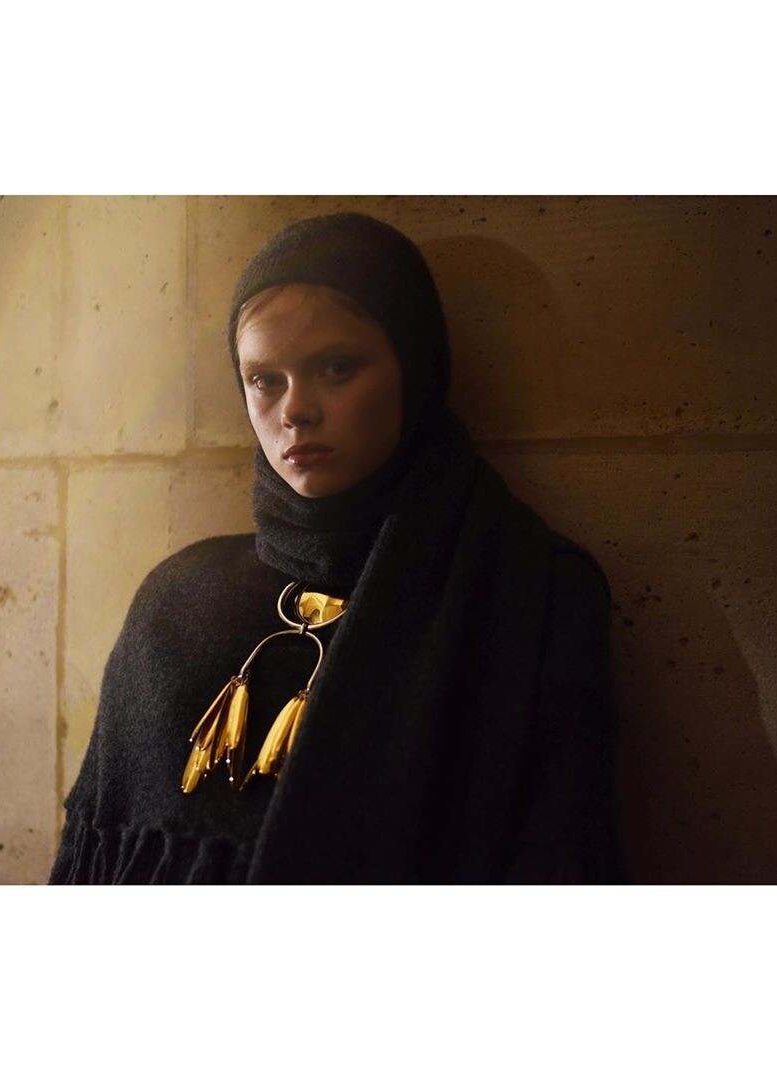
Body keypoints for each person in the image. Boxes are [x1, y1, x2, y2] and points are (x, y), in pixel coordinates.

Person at [49, 211, 624, 884]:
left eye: (336, 367)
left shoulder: (530, 592)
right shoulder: (175, 602)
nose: (295, 410)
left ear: (415, 368)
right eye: (265, 380)